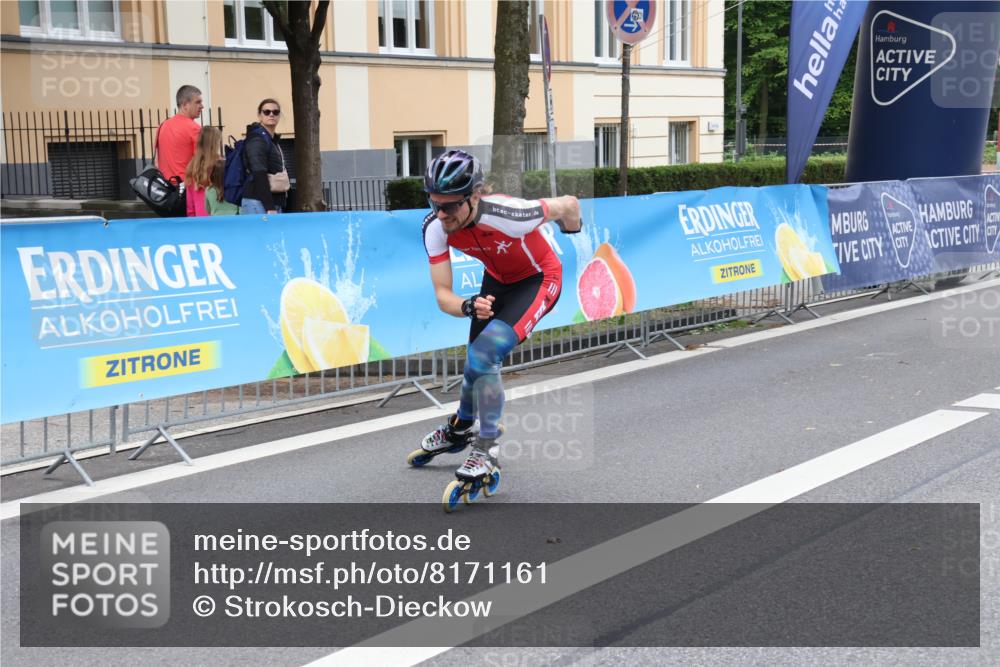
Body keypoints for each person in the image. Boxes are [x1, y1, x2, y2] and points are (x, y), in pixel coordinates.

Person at [409, 149, 582, 510]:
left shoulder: (511, 213)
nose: (442, 215)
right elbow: (443, 294)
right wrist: (468, 305)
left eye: (451, 206)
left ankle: (486, 450)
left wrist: (573, 227)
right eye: (435, 204)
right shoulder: (434, 228)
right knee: (475, 363)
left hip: (539, 279)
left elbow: (568, 203)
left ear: (474, 196)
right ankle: (458, 429)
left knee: (485, 354)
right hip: (497, 282)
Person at [240, 98, 288, 214]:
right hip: (258, 202)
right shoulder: (257, 139)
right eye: (266, 112)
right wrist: (269, 206)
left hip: (269, 202)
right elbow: (259, 173)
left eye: (275, 112)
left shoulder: (271, 140)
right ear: (259, 115)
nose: (271, 114)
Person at [156, 85, 203, 184]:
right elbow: (202, 163)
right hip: (186, 188)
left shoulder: (162, 126)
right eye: (198, 102)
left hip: (165, 188)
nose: (202, 106)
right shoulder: (194, 128)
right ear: (185, 104)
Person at [183, 126, 223, 217]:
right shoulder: (220, 164)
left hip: (199, 217)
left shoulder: (192, 165)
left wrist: (192, 218)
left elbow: (190, 202)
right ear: (214, 143)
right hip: (217, 216)